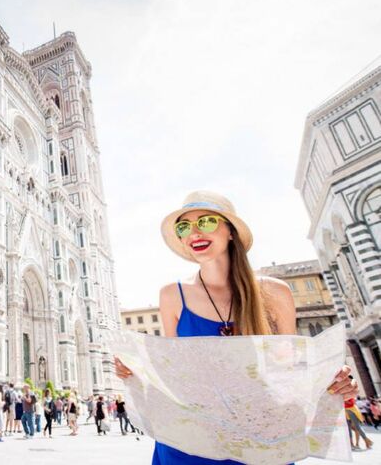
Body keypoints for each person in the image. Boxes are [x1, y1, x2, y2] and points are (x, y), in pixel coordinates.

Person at [114, 191, 360, 464]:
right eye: (183, 227)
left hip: (262, 440)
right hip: (191, 443)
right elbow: (174, 374)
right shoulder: (172, 295)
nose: (194, 232)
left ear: (231, 231)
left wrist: (333, 381)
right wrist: (135, 370)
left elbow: (291, 371)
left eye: (206, 222)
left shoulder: (275, 292)